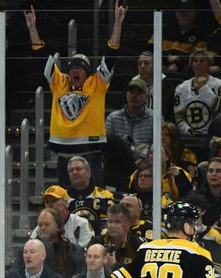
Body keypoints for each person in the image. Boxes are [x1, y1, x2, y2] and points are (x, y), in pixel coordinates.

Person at [24, 2, 127, 186]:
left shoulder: (96, 83)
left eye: (80, 68)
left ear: (87, 72)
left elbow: (111, 55)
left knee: (94, 197)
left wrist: (118, 23)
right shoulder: (59, 82)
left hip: (90, 152)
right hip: (63, 153)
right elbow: (41, 56)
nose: (75, 71)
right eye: (72, 67)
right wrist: (32, 28)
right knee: (64, 200)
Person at [174, 49, 221, 142]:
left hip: (212, 135)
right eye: (195, 61)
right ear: (191, 64)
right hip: (189, 135)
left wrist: (203, 88)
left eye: (202, 61)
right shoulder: (181, 88)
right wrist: (185, 129)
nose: (198, 63)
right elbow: (178, 114)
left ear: (209, 64)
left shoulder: (219, 84)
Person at [65, 155, 115, 234]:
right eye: (71, 170)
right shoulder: (61, 198)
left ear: (88, 173)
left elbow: (108, 224)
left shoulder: (105, 195)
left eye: (78, 169)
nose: (74, 172)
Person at [105, 78, 153, 155]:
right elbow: (107, 146)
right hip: (120, 162)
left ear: (146, 97)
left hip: (146, 162)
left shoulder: (154, 118)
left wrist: (142, 159)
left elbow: (159, 146)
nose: (134, 95)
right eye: (131, 92)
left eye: (139, 92)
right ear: (126, 94)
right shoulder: (113, 118)